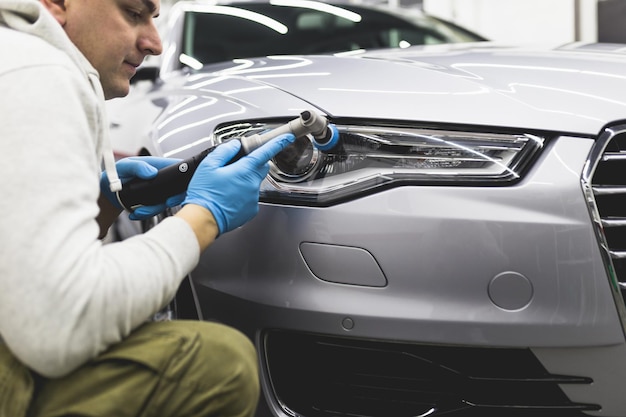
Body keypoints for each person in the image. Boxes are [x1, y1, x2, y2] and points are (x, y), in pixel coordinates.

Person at [0, 0, 296, 416]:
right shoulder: (38, 72)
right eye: (133, 13)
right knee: (217, 365)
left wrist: (106, 202)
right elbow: (59, 323)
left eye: (154, 19)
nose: (154, 43)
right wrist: (204, 219)